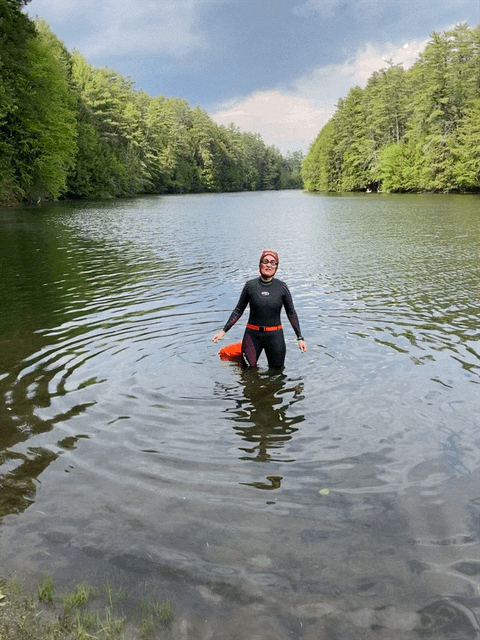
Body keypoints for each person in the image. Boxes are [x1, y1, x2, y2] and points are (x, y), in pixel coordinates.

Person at [213, 250, 307, 368]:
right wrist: (223, 331)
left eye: (273, 262)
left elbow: (291, 312)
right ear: (260, 265)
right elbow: (238, 310)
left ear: (276, 267)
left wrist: (299, 337)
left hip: (275, 336)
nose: (269, 265)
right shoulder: (250, 286)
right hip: (252, 336)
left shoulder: (282, 287)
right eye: (265, 261)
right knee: (248, 372)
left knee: (277, 373)